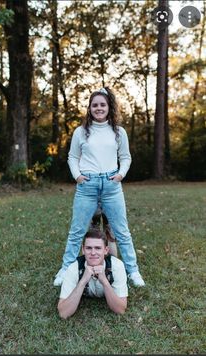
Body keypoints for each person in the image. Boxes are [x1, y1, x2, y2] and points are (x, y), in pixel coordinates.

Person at [54, 86, 145, 287]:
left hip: (112, 185)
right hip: (87, 185)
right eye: (94, 105)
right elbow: (73, 157)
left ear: (108, 106)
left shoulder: (118, 132)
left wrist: (120, 175)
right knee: (77, 231)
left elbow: (126, 157)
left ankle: (133, 271)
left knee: (122, 231)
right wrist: (77, 176)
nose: (98, 108)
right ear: (90, 108)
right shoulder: (81, 132)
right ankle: (65, 269)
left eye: (102, 104)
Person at [57, 229, 128, 319]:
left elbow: (120, 310)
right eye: (89, 248)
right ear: (83, 249)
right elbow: (63, 313)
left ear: (106, 250)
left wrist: (104, 281)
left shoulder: (117, 266)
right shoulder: (74, 268)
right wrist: (82, 281)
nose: (93, 253)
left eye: (98, 248)